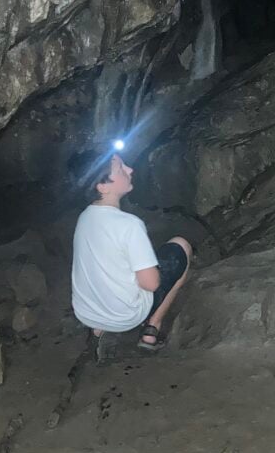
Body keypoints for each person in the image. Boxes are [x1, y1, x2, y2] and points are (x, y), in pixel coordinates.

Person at [71, 153, 192, 361]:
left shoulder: (85, 217)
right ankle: (151, 330)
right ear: (103, 186)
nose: (130, 170)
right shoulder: (129, 224)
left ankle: (99, 331)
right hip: (126, 316)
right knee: (182, 246)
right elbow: (151, 284)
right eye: (120, 169)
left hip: (85, 312)